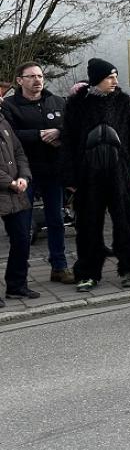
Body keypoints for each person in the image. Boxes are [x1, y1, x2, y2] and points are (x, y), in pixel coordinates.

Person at [62, 59, 130, 291]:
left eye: (116, 76)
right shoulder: (77, 104)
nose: (115, 81)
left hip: (120, 173)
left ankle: (129, 268)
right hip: (88, 176)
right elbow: (68, 141)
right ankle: (88, 273)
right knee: (88, 224)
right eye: (110, 77)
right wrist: (70, 178)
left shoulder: (122, 101)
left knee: (126, 222)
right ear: (97, 79)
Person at [5, 61, 71, 283]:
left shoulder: (57, 102)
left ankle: (59, 267)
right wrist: (41, 134)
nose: (37, 81)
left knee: (56, 220)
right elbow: (10, 137)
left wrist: (59, 132)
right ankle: (19, 277)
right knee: (23, 227)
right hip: (25, 173)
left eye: (40, 76)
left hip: (53, 171)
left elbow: (72, 128)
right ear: (20, 80)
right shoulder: (10, 106)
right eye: (31, 77)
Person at [1, 99, 35, 302]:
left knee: (22, 239)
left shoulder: (3, 121)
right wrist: (10, 182)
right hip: (8, 187)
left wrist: (23, 176)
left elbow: (19, 152)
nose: (1, 99)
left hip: (15, 191)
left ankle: (16, 285)